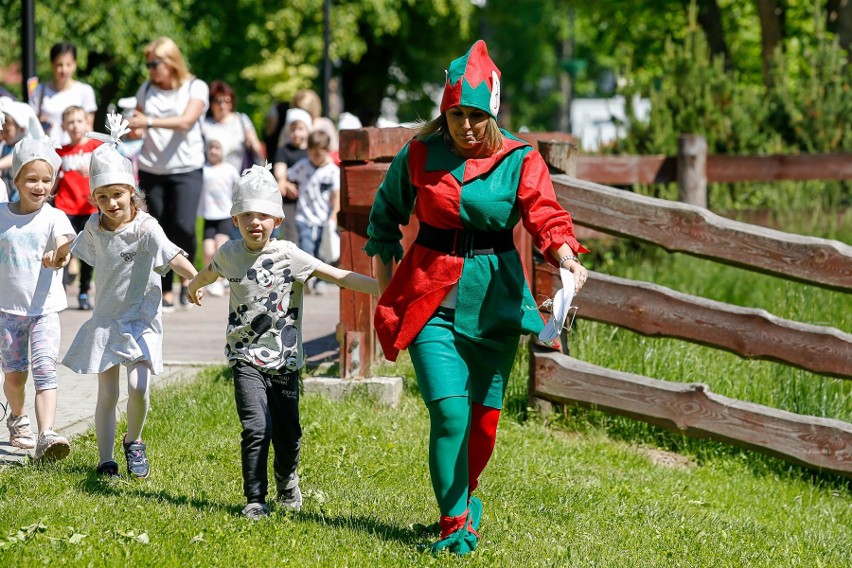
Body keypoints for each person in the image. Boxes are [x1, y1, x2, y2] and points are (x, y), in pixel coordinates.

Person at [364, 40, 590, 555]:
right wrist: (387, 296)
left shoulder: (520, 157)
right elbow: (383, 222)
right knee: (449, 414)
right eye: (455, 114)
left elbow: (545, 215)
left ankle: (465, 496)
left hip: (495, 304)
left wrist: (566, 256)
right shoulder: (419, 153)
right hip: (429, 302)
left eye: (474, 115)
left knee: (483, 424)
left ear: (491, 112)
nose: (464, 126)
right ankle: (454, 522)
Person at [186, 164, 378, 520]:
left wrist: (389, 290)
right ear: (235, 219)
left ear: (277, 218)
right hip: (245, 358)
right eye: (246, 215)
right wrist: (192, 286)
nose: (254, 222)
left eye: (263, 215)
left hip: (285, 360)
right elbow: (209, 272)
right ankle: (255, 499)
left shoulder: (291, 255)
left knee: (288, 435)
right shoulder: (230, 253)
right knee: (256, 427)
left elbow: (336, 276)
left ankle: (286, 478)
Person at [44, 113, 200, 479]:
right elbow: (72, 247)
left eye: (117, 194)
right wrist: (57, 257)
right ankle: (106, 460)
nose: (111, 203)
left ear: (132, 193)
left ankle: (134, 440)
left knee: (139, 387)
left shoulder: (146, 227)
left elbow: (172, 254)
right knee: (108, 393)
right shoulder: (95, 227)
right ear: (94, 199)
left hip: (141, 318)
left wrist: (195, 280)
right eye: (102, 196)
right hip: (107, 319)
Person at [1, 137, 74, 461]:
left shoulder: (54, 217)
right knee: (15, 377)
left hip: (44, 311)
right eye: (31, 179)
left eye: (46, 180)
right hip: (7, 312)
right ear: (16, 180)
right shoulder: (2, 214)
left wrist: (57, 256)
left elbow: (64, 246)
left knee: (45, 370)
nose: (39, 186)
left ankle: (47, 435)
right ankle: (18, 419)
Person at [127, 36, 209, 310]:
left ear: (171, 62)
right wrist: (134, 127)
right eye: (148, 64)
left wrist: (148, 121)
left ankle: (188, 278)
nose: (150, 69)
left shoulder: (195, 87)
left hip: (186, 168)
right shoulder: (146, 89)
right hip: (152, 168)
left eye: (154, 64)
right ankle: (166, 287)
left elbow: (187, 121)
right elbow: (136, 124)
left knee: (184, 226)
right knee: (157, 229)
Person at [55, 106, 102, 310]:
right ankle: (61, 291)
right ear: (64, 126)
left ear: (87, 123)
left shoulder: (97, 148)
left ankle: (84, 291)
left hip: (89, 208)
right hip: (65, 206)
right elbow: (53, 180)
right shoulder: (60, 152)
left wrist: (93, 170)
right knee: (63, 249)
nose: (75, 126)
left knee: (88, 252)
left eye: (79, 121)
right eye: (70, 122)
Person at [289, 130, 340, 295]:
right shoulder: (303, 165)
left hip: (322, 218)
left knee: (320, 251)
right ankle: (307, 278)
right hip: (303, 216)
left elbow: (336, 195)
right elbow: (288, 175)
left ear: (326, 150)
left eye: (318, 154)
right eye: (311, 154)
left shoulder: (332, 171)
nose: (315, 158)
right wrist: (286, 184)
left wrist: (334, 215)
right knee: (306, 247)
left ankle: (317, 280)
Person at [28, 42, 97, 145]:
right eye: (59, 65)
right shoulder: (39, 90)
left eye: (68, 65)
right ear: (52, 65)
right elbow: (30, 123)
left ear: (74, 65)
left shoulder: (85, 91)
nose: (64, 70)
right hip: (48, 153)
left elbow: (89, 128)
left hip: (76, 155)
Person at [199, 136, 239, 297]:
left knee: (221, 246)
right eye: (211, 148)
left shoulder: (229, 169)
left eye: (217, 148)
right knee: (208, 250)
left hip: (225, 214)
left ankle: (222, 279)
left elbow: (237, 189)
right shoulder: (203, 169)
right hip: (209, 214)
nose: (213, 151)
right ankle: (211, 278)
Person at [201, 80, 264, 173]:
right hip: (212, 179)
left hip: (240, 176)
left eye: (227, 101)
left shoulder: (241, 120)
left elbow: (256, 147)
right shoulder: (205, 124)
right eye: (218, 101)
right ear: (210, 103)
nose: (223, 105)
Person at [272, 108, 311, 243]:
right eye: (293, 129)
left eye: (300, 129)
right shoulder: (284, 150)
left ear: (307, 129)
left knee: (309, 237)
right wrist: (284, 182)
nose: (296, 133)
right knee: (291, 235)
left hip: (309, 200)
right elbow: (280, 170)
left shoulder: (311, 152)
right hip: (290, 201)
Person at [0, 98, 45, 198]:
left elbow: (15, 157)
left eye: (7, 131)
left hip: (22, 198)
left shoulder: (28, 144)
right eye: (1, 131)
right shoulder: (4, 146)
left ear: (21, 128)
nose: (3, 134)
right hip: (8, 196)